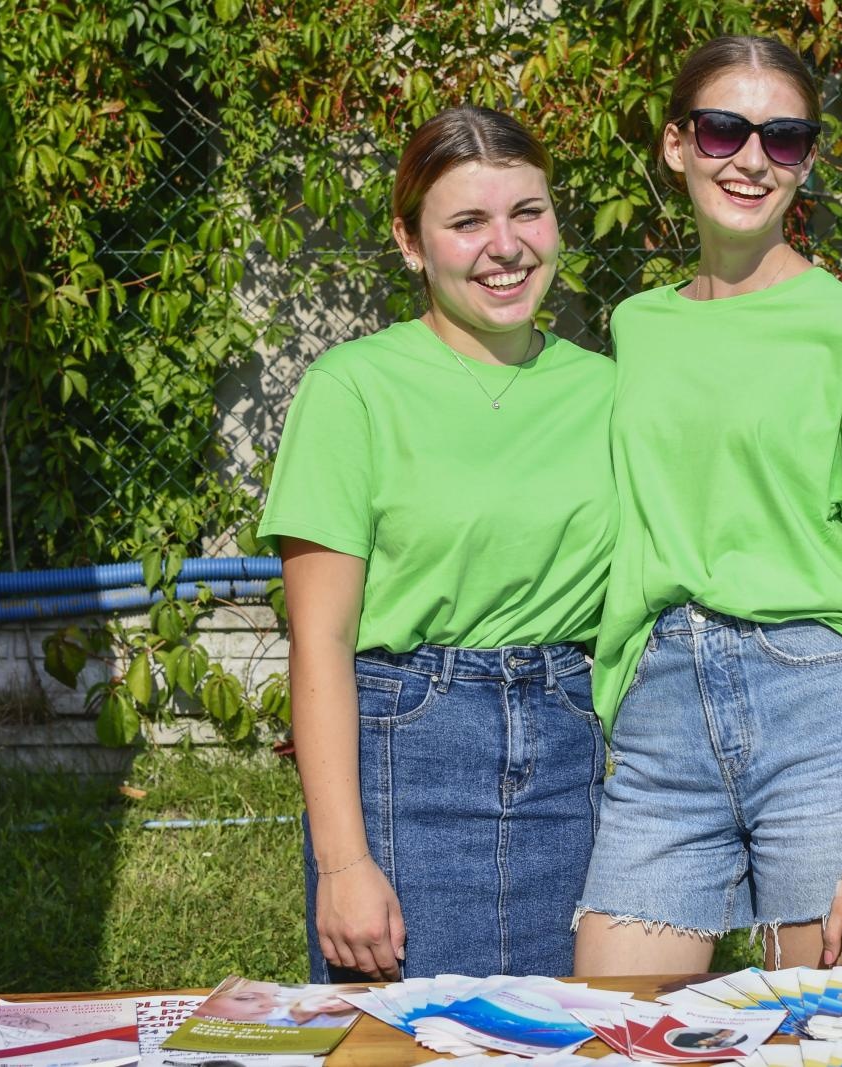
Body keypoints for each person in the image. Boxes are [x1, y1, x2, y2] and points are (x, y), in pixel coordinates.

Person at [573, 35, 842, 976]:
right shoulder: (636, 327)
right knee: (619, 1029)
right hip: (658, 709)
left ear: (805, 160)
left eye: (782, 138)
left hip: (814, 702)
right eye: (724, 129)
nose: (749, 158)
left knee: (830, 1033)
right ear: (674, 144)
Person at [259, 106, 616, 981]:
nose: (506, 247)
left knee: (574, 1031)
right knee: (407, 1031)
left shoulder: (613, 391)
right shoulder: (353, 391)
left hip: (581, 754)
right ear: (411, 243)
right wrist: (343, 863)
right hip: (410, 754)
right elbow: (322, 643)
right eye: (467, 222)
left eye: (527, 213)